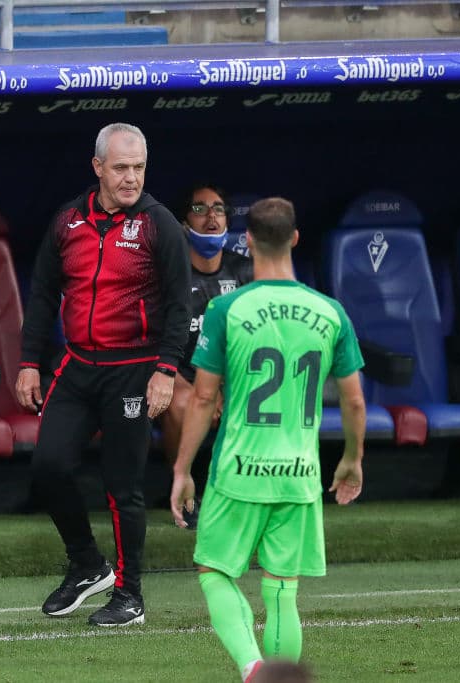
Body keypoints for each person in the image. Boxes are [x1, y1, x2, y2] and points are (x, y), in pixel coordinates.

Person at [170, 197, 366, 682]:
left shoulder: (227, 308)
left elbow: (200, 399)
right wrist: (352, 460)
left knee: (214, 570)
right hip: (299, 475)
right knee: (282, 589)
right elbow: (355, 402)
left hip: (239, 471)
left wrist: (180, 470)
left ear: (249, 241)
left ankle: (253, 668)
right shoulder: (331, 311)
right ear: (296, 239)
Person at [16, 122, 190, 626]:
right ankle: (87, 565)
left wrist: (166, 370)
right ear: (97, 168)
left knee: (122, 485)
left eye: (138, 167)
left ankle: (129, 594)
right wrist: (30, 362)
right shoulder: (67, 221)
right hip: (77, 364)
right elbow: (44, 294)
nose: (131, 178)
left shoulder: (160, 225)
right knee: (47, 467)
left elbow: (180, 305)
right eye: (121, 168)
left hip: (134, 368)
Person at [161, 183, 254, 510]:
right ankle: (183, 491)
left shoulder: (244, 271)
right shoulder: (167, 274)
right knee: (185, 403)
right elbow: (150, 343)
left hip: (225, 378)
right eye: (199, 209)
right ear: (183, 221)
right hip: (174, 376)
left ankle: (250, 492)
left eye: (218, 209)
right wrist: (201, 389)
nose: (210, 216)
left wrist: (223, 388)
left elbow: (252, 342)